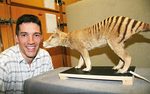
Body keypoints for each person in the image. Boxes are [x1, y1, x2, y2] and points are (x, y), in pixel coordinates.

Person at [0, 14, 54, 94]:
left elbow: (51, 88)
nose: (31, 41)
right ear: (16, 38)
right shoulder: (4, 62)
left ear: (41, 38)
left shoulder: (45, 56)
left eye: (36, 35)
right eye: (24, 35)